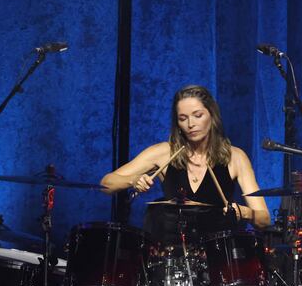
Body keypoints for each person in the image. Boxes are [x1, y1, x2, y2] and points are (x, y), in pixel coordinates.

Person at [101, 85, 270, 243]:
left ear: (212, 115)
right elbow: (106, 184)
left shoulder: (236, 157)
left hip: (217, 259)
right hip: (170, 258)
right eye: (183, 118)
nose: (190, 124)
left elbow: (264, 219)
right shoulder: (163, 152)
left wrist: (246, 212)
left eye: (198, 115)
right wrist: (133, 180)